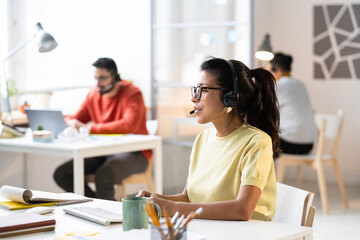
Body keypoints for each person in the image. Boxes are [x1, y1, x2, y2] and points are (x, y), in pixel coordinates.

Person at [138, 57, 280, 221]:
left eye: (203, 90)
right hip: (209, 231)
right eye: (196, 89)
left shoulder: (257, 141)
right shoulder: (203, 138)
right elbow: (189, 198)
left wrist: (172, 207)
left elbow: (243, 209)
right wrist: (156, 199)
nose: (194, 98)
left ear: (230, 97)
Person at [53, 57, 151, 200]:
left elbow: (128, 125)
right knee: (62, 174)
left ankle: (108, 215)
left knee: (104, 176)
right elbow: (76, 118)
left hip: (135, 153)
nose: (98, 83)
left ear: (115, 77)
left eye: (102, 78)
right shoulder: (94, 94)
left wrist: (90, 128)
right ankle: (91, 205)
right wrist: (69, 122)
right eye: (95, 78)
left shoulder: (133, 93)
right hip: (103, 152)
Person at [266, 52, 316, 155]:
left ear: (275, 70)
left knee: (262, 140)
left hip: (291, 143)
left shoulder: (279, 86)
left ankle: (267, 171)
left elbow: (268, 113)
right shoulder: (301, 85)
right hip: (308, 144)